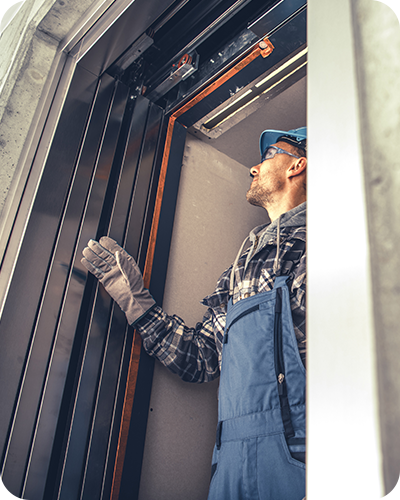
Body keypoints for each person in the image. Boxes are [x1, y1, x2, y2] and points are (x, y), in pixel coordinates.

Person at [81, 127, 307, 500]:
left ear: (297, 165)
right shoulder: (242, 266)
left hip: (302, 455)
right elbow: (200, 358)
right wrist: (135, 300)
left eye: (268, 155)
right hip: (229, 463)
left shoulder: (327, 240)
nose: (253, 168)